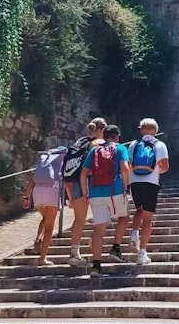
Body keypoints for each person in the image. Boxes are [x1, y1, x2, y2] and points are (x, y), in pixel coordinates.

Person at [80, 125, 130, 276]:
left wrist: (85, 194)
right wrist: (125, 185)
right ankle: (115, 247)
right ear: (117, 136)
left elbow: (83, 174)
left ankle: (96, 266)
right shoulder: (120, 148)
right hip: (114, 190)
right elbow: (125, 169)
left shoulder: (94, 150)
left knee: (99, 229)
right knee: (124, 216)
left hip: (95, 192)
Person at [62, 117, 107, 266]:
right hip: (89, 183)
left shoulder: (78, 143)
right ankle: (93, 243)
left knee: (79, 219)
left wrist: (69, 195)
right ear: (102, 130)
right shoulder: (97, 144)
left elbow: (66, 172)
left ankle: (74, 253)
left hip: (73, 184)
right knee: (100, 217)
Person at [128, 118, 169, 265]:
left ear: (141, 130)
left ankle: (133, 234)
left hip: (134, 182)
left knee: (138, 210)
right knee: (148, 217)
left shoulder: (133, 144)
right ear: (156, 131)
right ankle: (142, 254)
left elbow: (128, 164)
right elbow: (164, 167)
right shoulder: (160, 145)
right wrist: (156, 169)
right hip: (151, 182)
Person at [22, 146, 67, 266]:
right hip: (51, 191)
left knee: (45, 218)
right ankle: (42, 259)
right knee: (49, 228)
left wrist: (26, 198)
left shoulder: (44, 161)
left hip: (38, 192)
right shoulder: (61, 161)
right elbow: (66, 181)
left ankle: (38, 238)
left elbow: (31, 182)